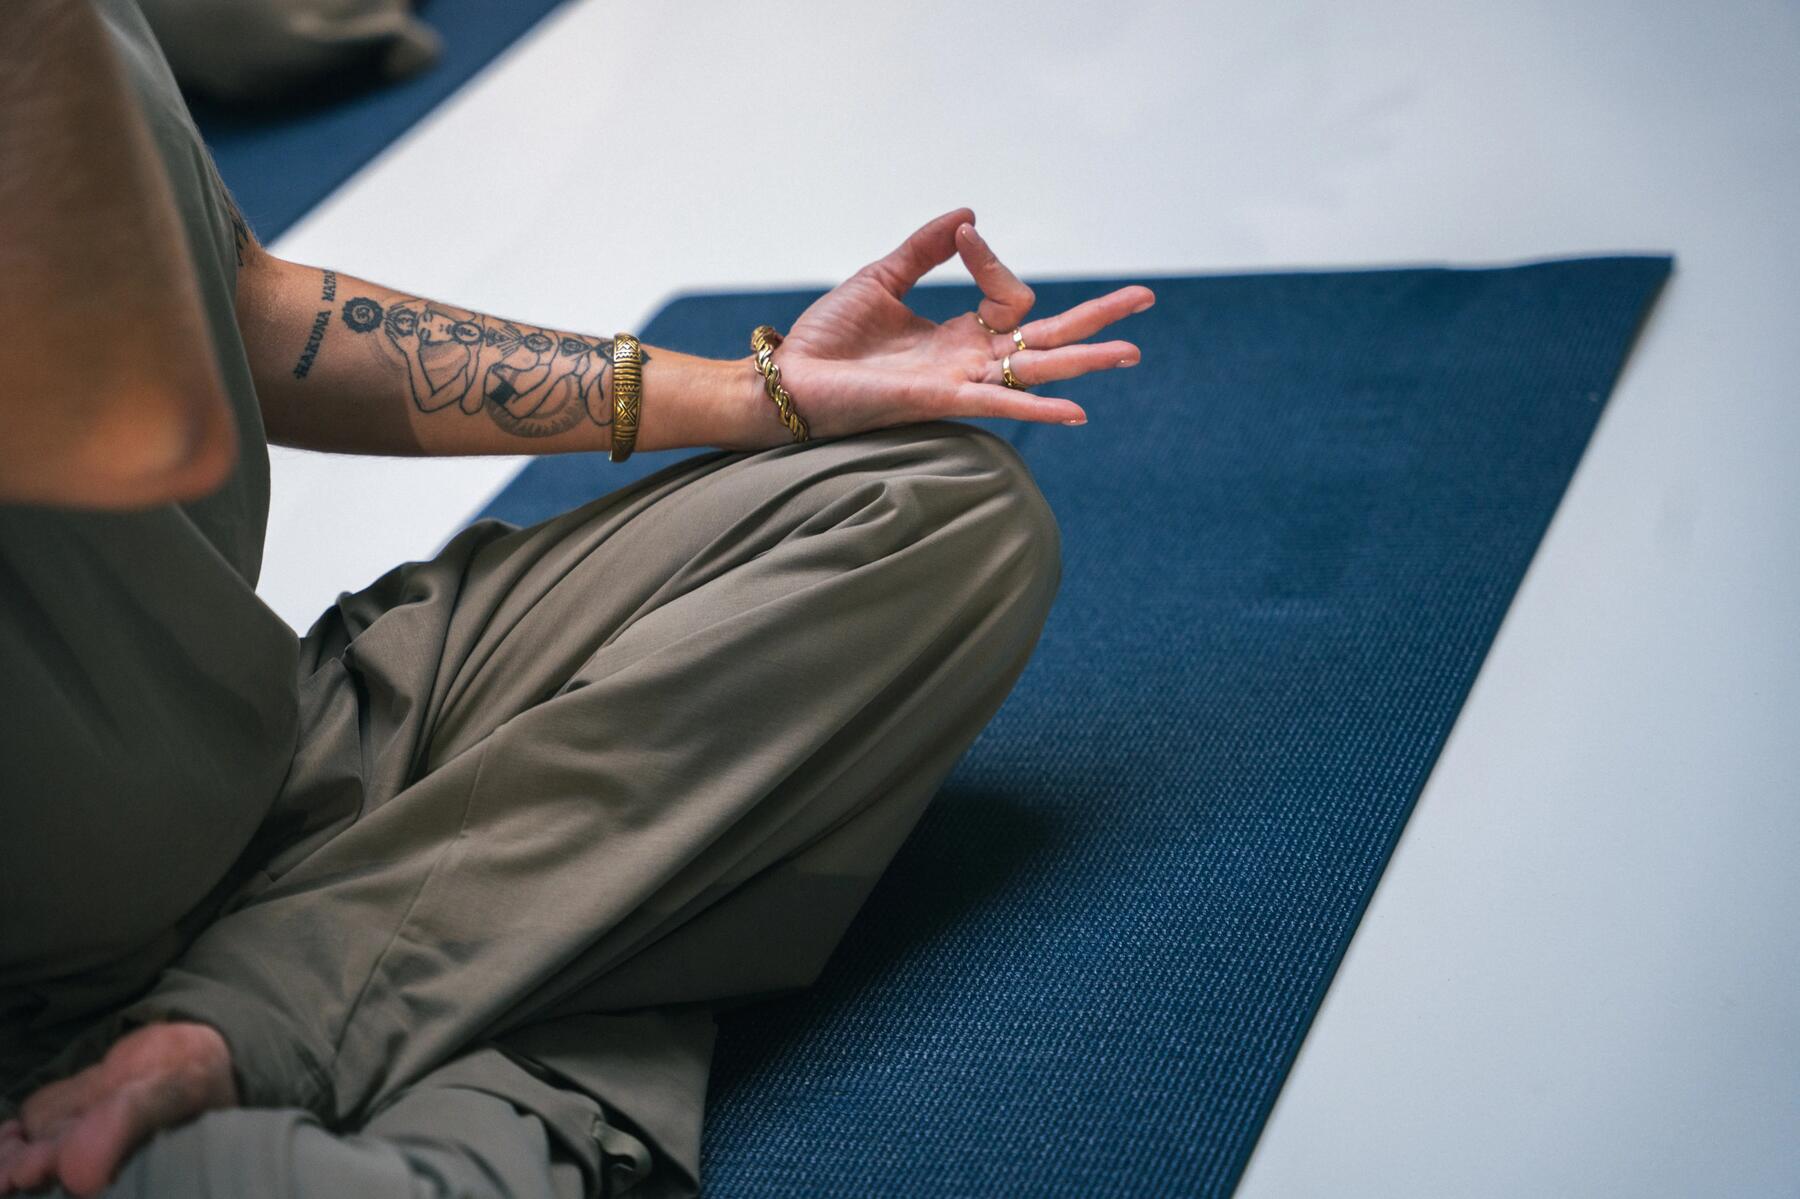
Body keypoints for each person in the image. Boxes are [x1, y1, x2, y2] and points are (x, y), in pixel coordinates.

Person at [0, 1, 1154, 1195]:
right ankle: (462, 965)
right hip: (38, 996)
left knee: (938, 509)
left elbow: (240, 306)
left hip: (290, 751)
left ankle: (340, 988)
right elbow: (139, 425)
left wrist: (764, 392)